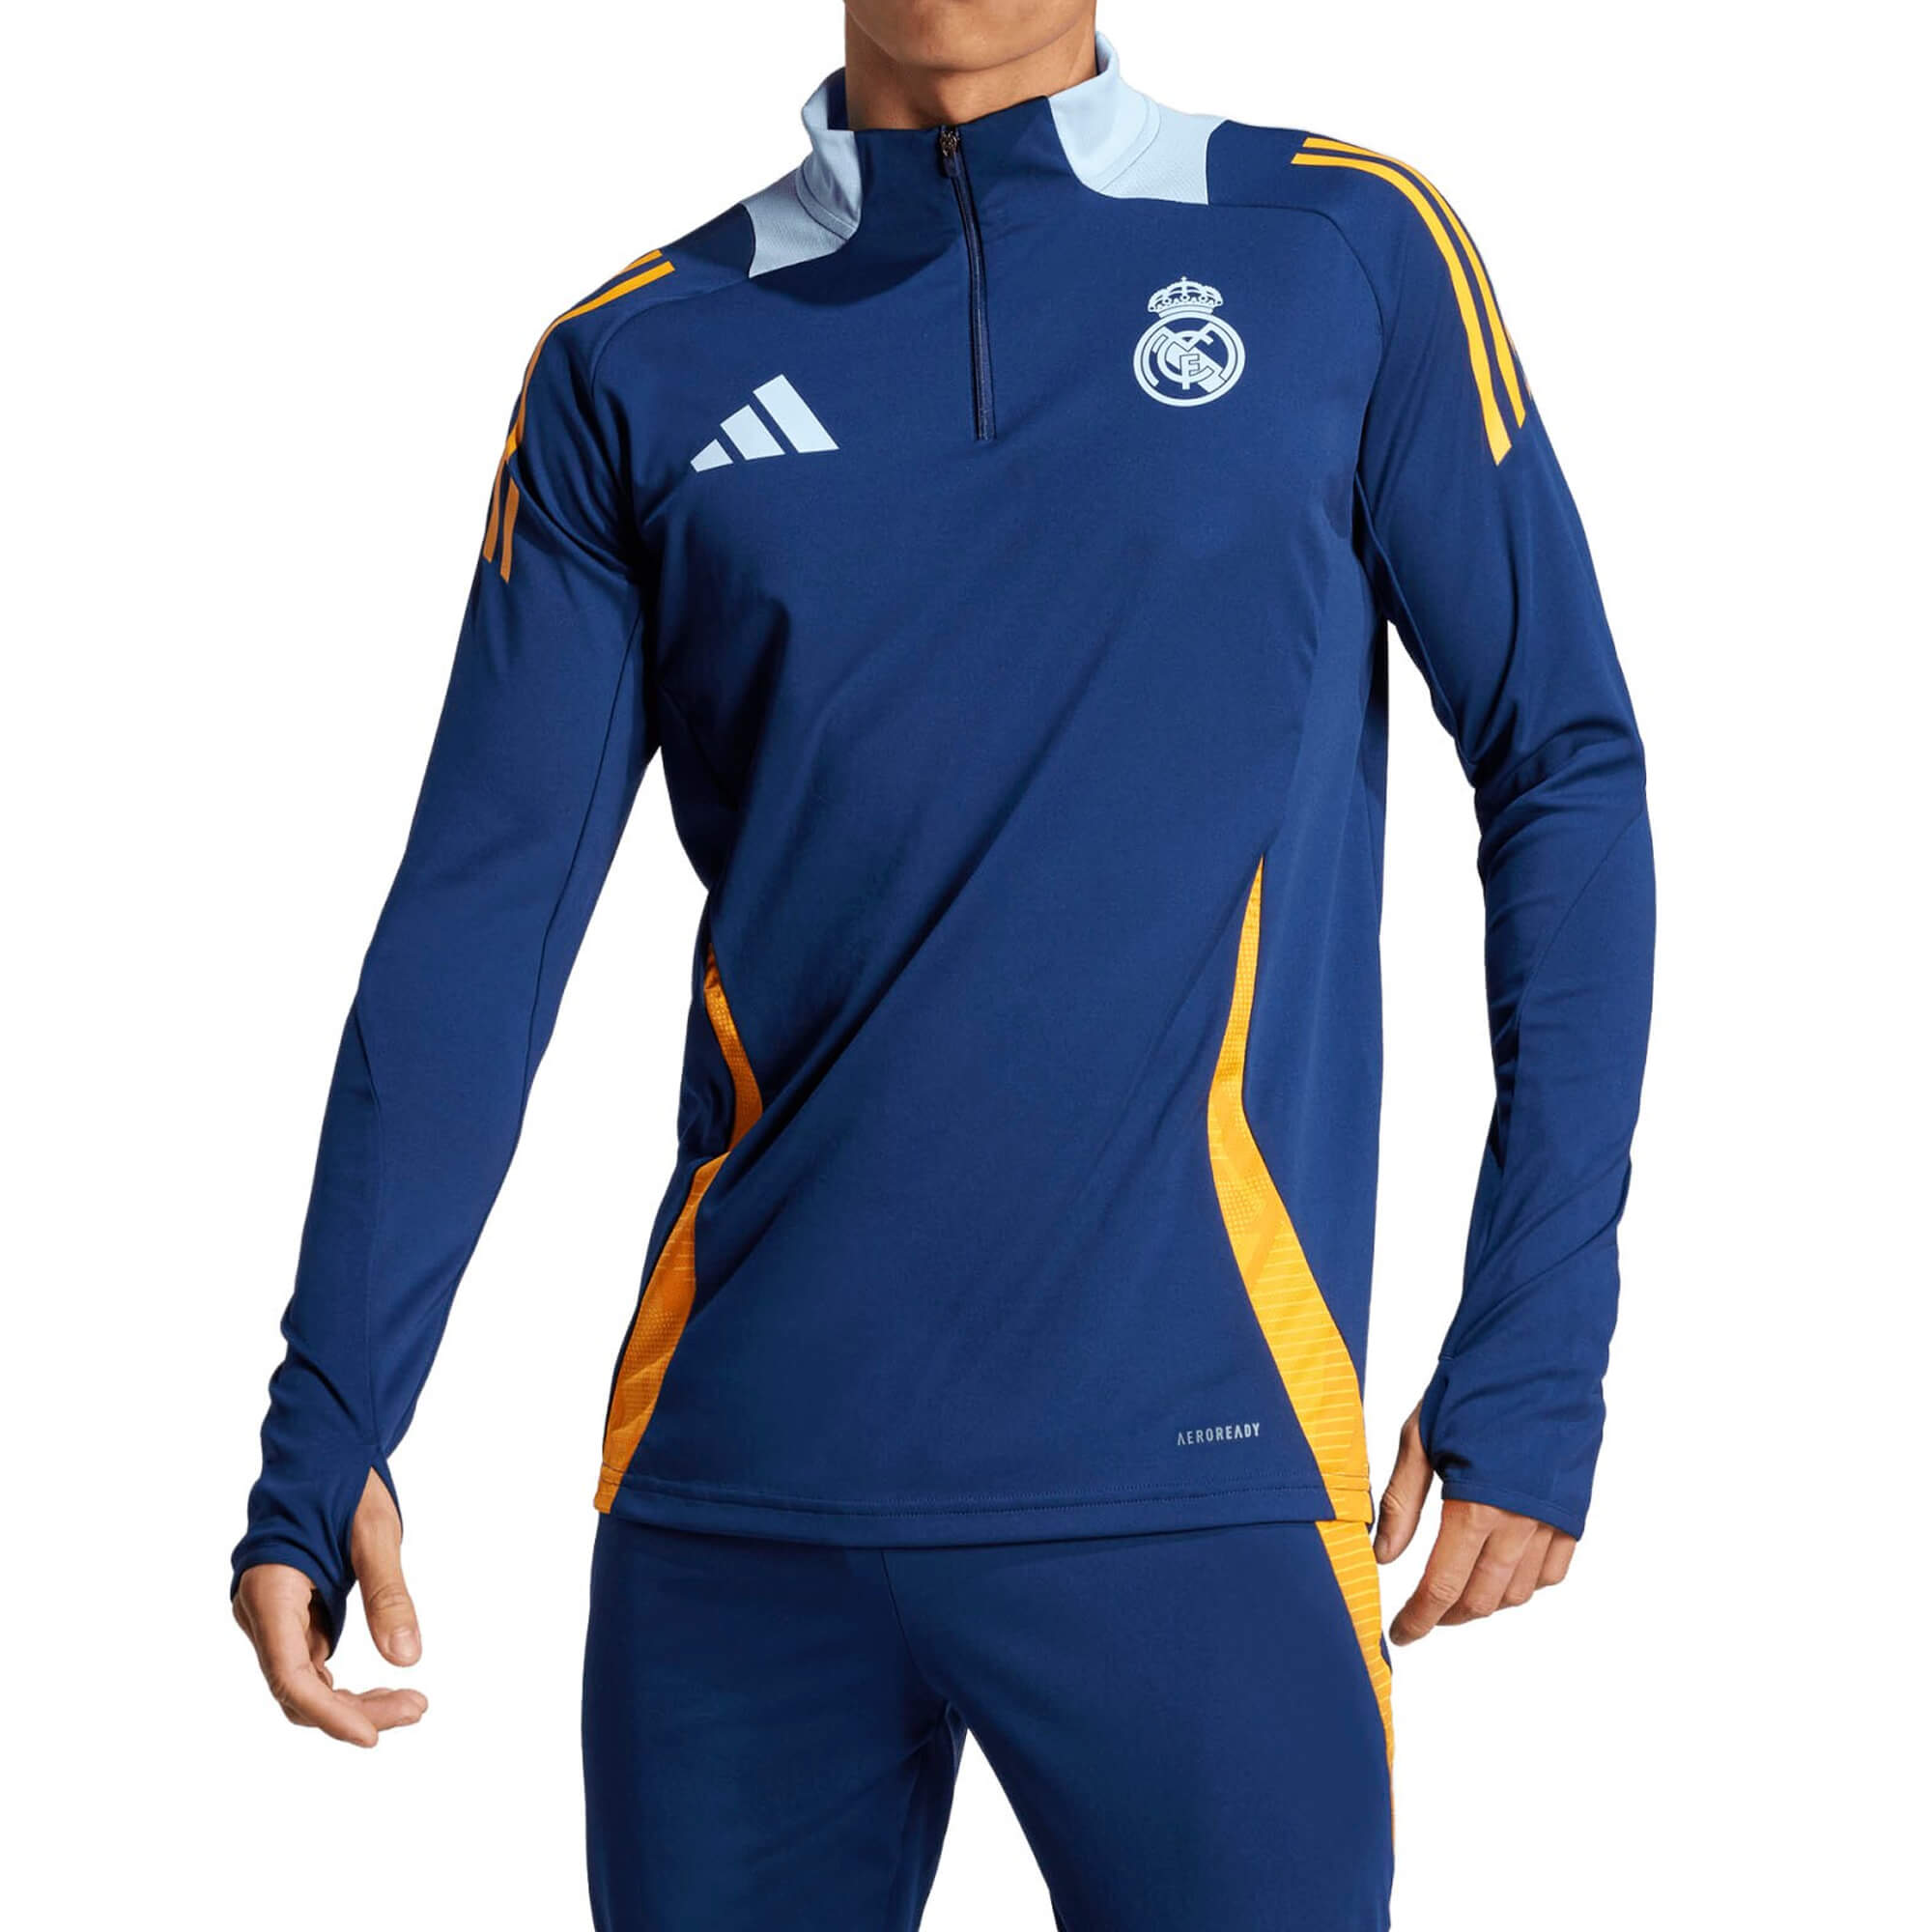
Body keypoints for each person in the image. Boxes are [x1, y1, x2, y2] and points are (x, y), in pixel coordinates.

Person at [231, 5, 1654, 1926]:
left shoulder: (1339, 250)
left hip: (1199, 1482)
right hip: (737, 1507)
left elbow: (1562, 767)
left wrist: (1538, 1347)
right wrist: (332, 1412)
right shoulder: (635, 360)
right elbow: (478, 925)